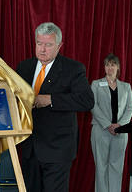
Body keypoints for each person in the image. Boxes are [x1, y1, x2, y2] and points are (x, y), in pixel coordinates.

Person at [16, 22, 94, 192]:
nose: (42, 49)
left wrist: (51, 99)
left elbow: (87, 101)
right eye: (39, 43)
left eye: (48, 45)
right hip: (29, 148)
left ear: (59, 46)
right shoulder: (24, 67)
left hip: (57, 150)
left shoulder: (73, 68)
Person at [90, 53, 132, 192]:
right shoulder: (96, 84)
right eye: (107, 65)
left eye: (113, 65)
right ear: (104, 67)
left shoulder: (126, 87)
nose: (110, 68)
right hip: (101, 130)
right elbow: (93, 105)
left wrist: (120, 125)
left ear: (118, 67)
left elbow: (130, 107)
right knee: (101, 166)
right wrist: (108, 125)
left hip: (120, 132)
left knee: (117, 166)